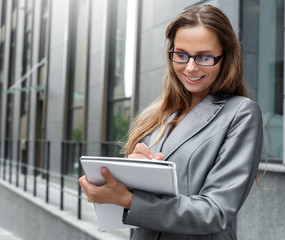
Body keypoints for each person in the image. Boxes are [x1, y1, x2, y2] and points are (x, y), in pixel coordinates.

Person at [79, 5, 263, 240]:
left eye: (205, 57)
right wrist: (125, 177)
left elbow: (214, 212)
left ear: (226, 58)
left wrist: (130, 199)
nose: (191, 67)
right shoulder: (157, 115)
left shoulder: (240, 113)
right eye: (182, 54)